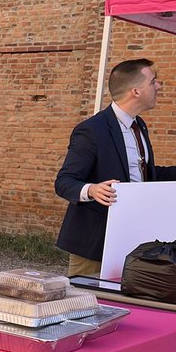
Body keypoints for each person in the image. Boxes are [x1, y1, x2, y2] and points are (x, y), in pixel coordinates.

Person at [55, 57, 176, 276]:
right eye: (153, 81)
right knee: (88, 296)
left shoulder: (139, 126)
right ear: (135, 91)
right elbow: (64, 182)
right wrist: (92, 189)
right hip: (94, 244)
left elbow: (143, 175)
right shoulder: (92, 130)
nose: (159, 86)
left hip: (132, 238)